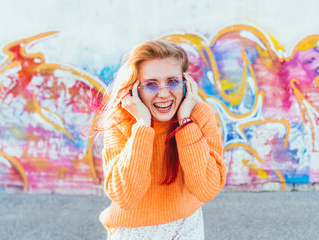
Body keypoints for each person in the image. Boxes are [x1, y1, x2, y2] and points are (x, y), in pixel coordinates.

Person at [91, 39, 226, 239]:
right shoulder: (121, 120)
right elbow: (125, 198)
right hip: (132, 232)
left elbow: (205, 189)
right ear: (134, 89)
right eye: (151, 84)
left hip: (186, 225)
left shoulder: (200, 115)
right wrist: (143, 125)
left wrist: (185, 122)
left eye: (172, 81)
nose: (164, 94)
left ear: (186, 83)